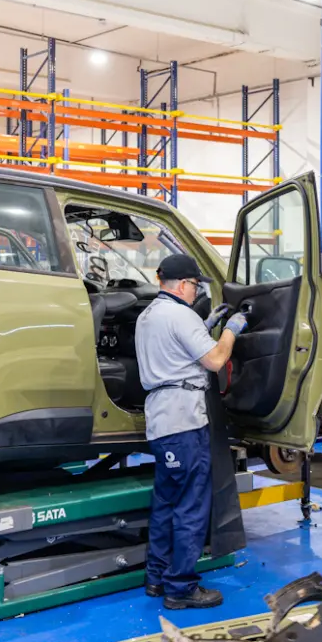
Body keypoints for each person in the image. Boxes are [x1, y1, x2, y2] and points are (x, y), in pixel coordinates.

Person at [134, 253, 247, 610]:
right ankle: (180, 587)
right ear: (183, 284)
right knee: (191, 505)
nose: (196, 291)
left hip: (160, 421)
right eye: (196, 285)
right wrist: (229, 331)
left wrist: (203, 326)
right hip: (184, 421)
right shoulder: (180, 315)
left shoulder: (148, 316)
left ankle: (157, 577)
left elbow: (176, 349)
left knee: (167, 501)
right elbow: (215, 360)